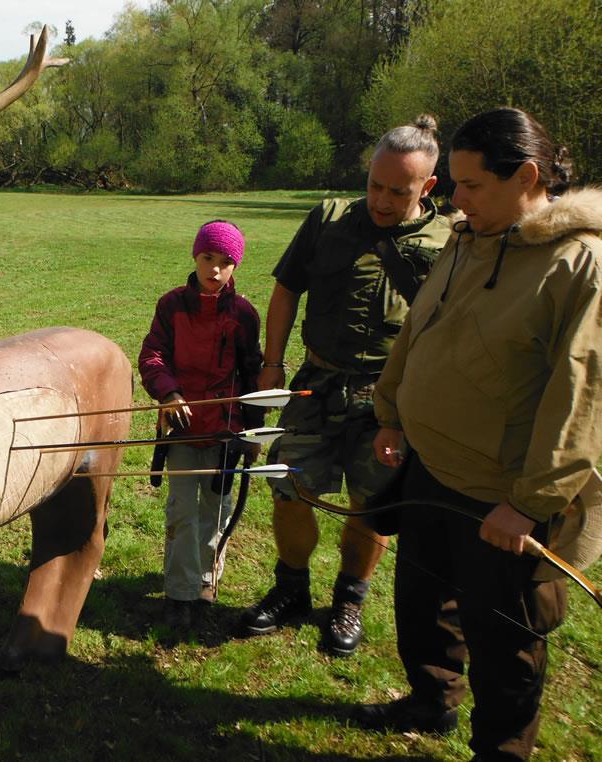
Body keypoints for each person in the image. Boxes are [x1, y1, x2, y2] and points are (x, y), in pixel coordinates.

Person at [356, 108, 602, 760]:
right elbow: (421, 329)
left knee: (505, 644)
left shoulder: (580, 266)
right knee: (422, 610)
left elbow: (582, 396)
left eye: (469, 185)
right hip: (431, 471)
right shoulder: (469, 238)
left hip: (505, 502)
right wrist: (392, 412)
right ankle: (431, 701)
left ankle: (501, 751)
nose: (453, 199)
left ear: (526, 176)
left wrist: (529, 503)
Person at [238, 115, 452, 655]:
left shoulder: (451, 240)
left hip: (389, 398)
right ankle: (291, 588)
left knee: (370, 503)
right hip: (317, 380)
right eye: (374, 185)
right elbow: (287, 288)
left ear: (427, 187)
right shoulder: (329, 218)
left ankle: (349, 599)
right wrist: (273, 362)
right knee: (289, 486)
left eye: (397, 191)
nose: (381, 199)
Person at [139, 220, 264, 629]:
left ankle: (206, 583)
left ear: (235, 267)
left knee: (216, 510)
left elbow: (251, 375)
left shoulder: (244, 314)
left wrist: (252, 430)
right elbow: (153, 356)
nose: (215, 269)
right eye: (208, 258)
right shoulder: (171, 305)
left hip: (224, 434)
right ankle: (179, 592)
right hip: (181, 431)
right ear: (195, 256)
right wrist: (169, 393)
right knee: (181, 511)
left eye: (226, 262)